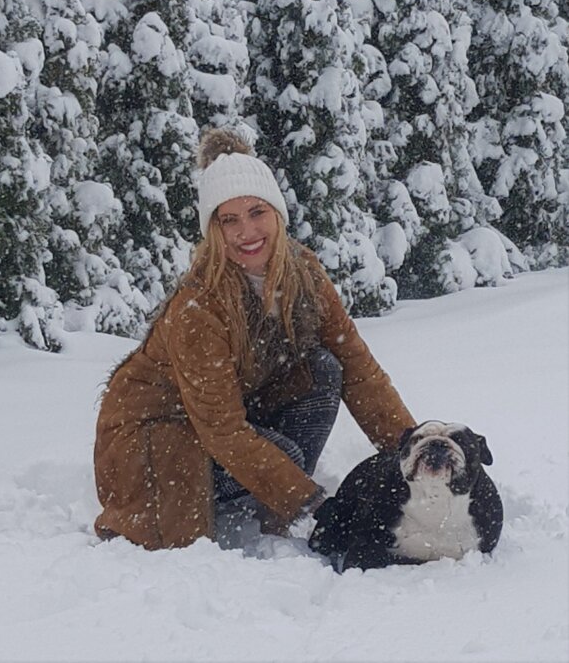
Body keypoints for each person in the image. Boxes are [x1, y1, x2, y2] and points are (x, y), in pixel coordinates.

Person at [94, 128, 416, 550]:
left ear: (278, 214)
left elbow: (358, 369)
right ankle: (280, 493)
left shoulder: (303, 272)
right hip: (156, 432)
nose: (246, 232)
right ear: (214, 230)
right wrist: (314, 503)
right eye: (229, 219)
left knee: (323, 368)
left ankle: (273, 496)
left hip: (223, 416)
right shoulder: (199, 306)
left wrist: (415, 451)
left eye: (256, 212)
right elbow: (223, 429)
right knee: (282, 458)